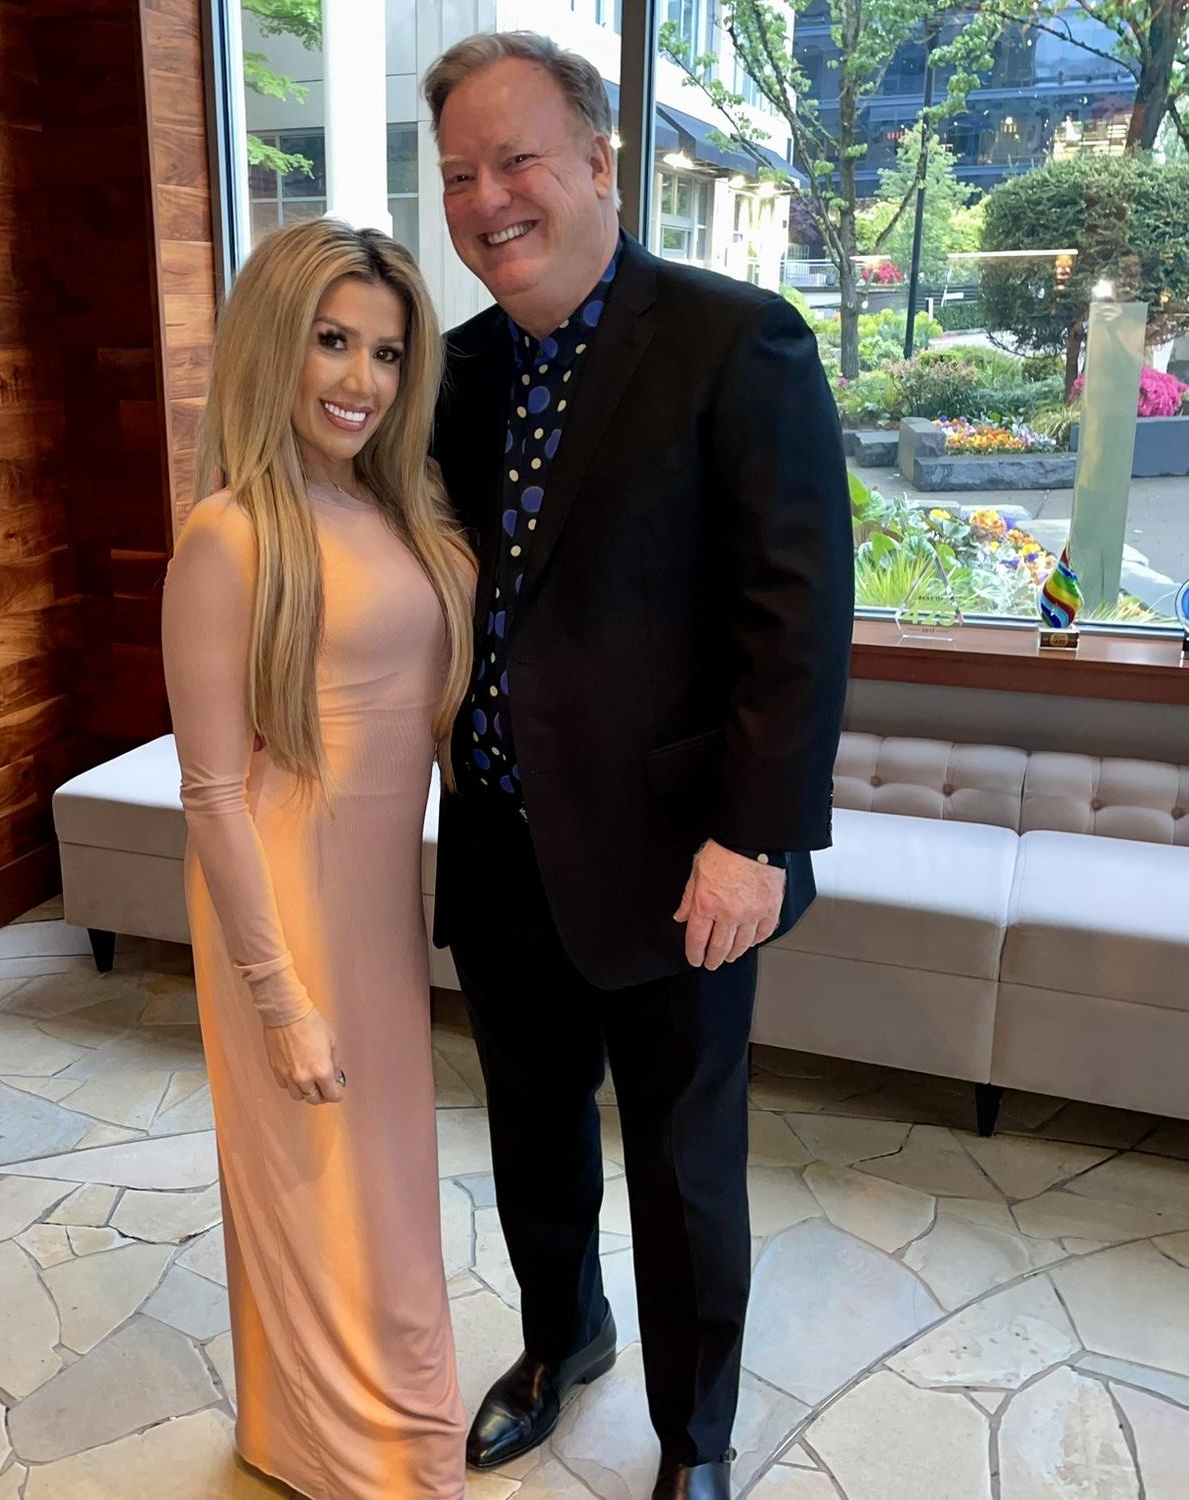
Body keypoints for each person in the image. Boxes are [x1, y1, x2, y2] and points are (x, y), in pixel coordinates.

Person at [423, 33, 853, 1500]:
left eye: (517, 161)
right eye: (460, 174)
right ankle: (563, 1343)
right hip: (500, 844)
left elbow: (796, 615)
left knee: (683, 1173)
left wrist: (756, 837)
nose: (488, 200)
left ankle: (697, 1441)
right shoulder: (457, 372)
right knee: (532, 1142)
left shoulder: (735, 341)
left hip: (683, 863)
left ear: (601, 164)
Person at [161, 218, 475, 1500]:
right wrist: (275, 995)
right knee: (315, 1187)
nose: (360, 381)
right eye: (331, 342)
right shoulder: (231, 535)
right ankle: (350, 1462)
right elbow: (210, 791)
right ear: (272, 347)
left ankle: (366, 1442)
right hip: (283, 905)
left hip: (381, 905)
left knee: (385, 1187)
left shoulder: (400, 509)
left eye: (387, 353)